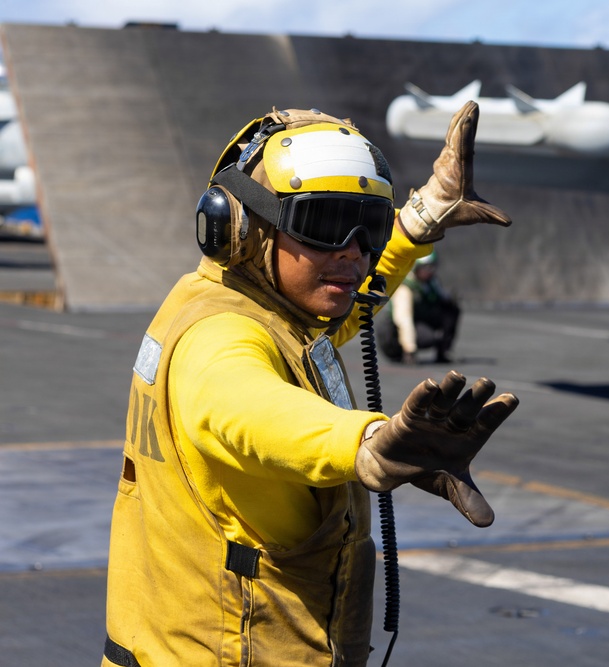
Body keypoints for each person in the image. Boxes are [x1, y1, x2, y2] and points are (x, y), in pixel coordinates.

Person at [102, 102, 518, 667]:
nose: (353, 252)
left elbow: (330, 321)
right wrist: (367, 443)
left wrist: (416, 221)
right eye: (322, 224)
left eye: (367, 226)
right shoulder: (217, 337)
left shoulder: (251, 303)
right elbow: (246, 408)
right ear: (241, 227)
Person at [379, 249, 461, 364]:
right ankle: (405, 352)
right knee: (430, 337)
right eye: (426, 268)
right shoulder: (405, 287)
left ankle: (443, 351)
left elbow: (443, 299)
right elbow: (404, 320)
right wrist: (410, 350)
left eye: (432, 267)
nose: (430, 271)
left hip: (419, 322)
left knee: (451, 309)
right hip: (394, 336)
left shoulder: (431, 282)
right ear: (416, 267)